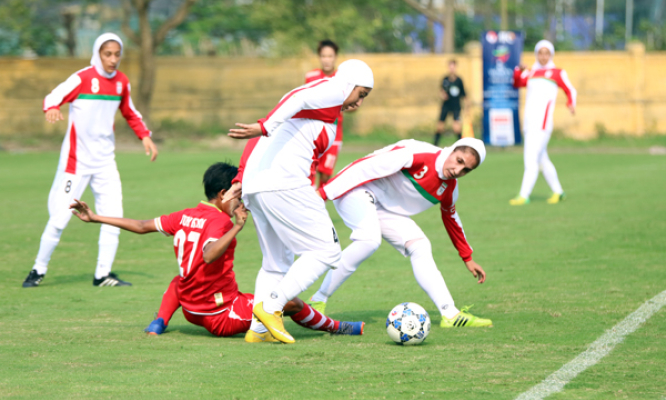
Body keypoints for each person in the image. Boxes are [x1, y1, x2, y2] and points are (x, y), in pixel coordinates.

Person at [69, 162, 364, 341]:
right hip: (219, 313)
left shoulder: (186, 214)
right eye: (238, 193)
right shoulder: (221, 221)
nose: (242, 199)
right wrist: (236, 227)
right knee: (290, 303)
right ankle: (337, 327)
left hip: (190, 308)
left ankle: (159, 321)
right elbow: (209, 254)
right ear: (223, 194)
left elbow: (143, 224)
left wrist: (95, 217)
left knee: (179, 279)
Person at [226, 59, 374, 343]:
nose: (359, 102)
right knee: (327, 252)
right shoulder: (331, 90)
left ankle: (259, 331)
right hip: (284, 185)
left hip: (259, 187)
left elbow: (264, 139)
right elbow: (300, 96)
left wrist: (240, 180)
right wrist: (265, 125)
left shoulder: (323, 110)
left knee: (275, 264)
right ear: (350, 83)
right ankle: (272, 307)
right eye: (362, 93)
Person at [309, 138, 493, 329]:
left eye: (465, 170)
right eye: (459, 160)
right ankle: (318, 300)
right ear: (452, 150)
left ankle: (450, 314)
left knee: (420, 246)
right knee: (369, 240)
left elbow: (451, 219)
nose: (457, 170)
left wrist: (467, 257)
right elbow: (364, 167)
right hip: (357, 189)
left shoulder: (450, 188)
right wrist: (323, 193)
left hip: (384, 208)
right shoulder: (417, 154)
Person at [23, 33, 158, 288]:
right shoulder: (82, 78)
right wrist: (52, 108)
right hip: (76, 163)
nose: (113, 59)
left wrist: (145, 136)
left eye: (117, 54)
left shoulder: (121, 82)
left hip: (105, 162)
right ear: (98, 53)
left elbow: (130, 112)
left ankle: (102, 275)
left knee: (113, 216)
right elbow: (53, 96)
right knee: (60, 218)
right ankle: (38, 270)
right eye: (108, 54)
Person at [509, 40, 576, 206]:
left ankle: (524, 195)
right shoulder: (531, 72)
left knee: (530, 159)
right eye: (540, 53)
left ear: (551, 55)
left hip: (543, 124)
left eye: (547, 53)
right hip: (529, 123)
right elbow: (517, 83)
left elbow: (570, 89)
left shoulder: (557, 73)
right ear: (536, 54)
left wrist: (571, 104)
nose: (543, 56)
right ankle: (559, 192)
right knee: (542, 160)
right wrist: (518, 70)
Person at [304, 40, 344, 187]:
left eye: (330, 56)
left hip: (334, 133)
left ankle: (320, 201)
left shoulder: (342, 78)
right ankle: (310, 203)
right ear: (319, 57)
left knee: (326, 174)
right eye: (323, 56)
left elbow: (353, 106)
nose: (327, 60)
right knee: (310, 170)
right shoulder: (311, 76)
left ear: (335, 57)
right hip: (313, 133)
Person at [434, 60, 468, 146]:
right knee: (439, 127)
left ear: (456, 68)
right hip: (446, 106)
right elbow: (441, 91)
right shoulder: (445, 79)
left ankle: (461, 146)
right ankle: (435, 145)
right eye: (450, 67)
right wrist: (442, 95)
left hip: (456, 106)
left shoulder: (459, 80)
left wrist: (467, 108)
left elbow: (464, 95)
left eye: (453, 67)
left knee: (456, 128)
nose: (452, 69)